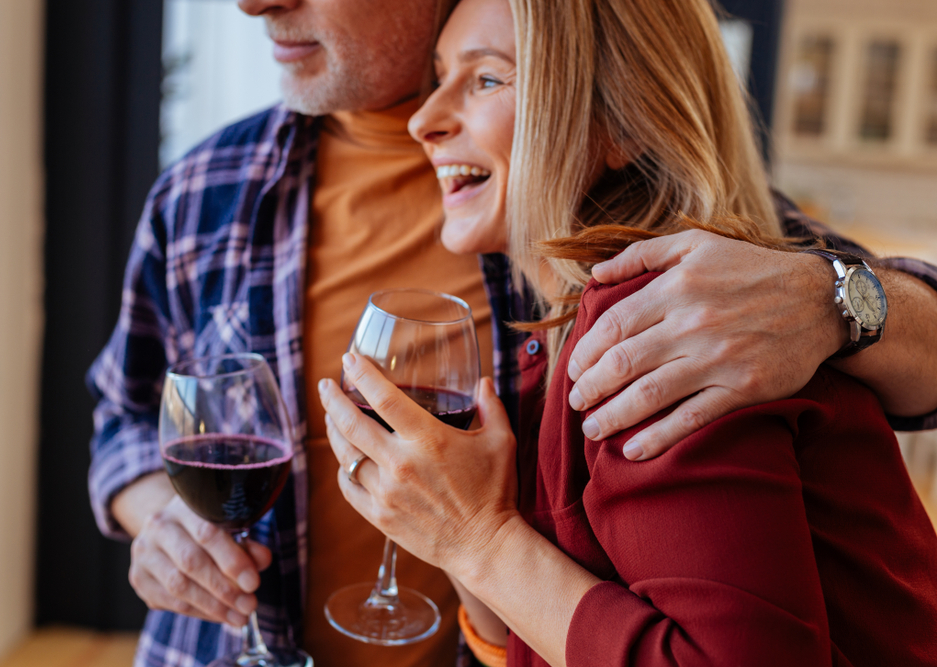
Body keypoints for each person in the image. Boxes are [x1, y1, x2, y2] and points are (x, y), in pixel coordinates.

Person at [87, 0, 937, 665]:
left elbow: (838, 314)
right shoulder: (202, 188)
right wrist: (158, 516)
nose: (254, 4)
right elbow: (124, 414)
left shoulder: (618, 223)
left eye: (484, 78)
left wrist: (834, 301)